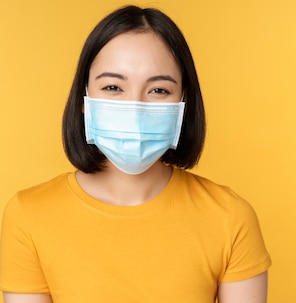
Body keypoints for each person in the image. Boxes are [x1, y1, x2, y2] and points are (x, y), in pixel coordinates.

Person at [0, 5, 271, 303]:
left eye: (158, 90)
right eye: (114, 87)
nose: (135, 107)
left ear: (183, 104)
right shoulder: (29, 215)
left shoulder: (230, 218)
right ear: (84, 100)